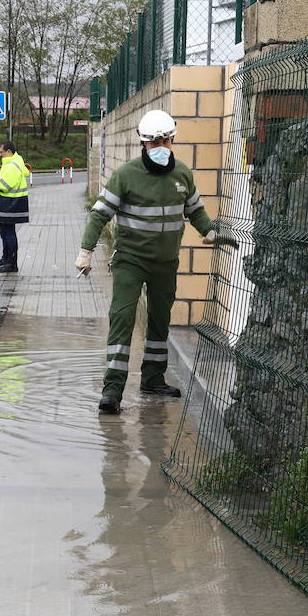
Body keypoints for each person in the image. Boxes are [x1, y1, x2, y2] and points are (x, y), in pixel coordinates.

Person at [76, 109, 216, 414]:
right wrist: (86, 251)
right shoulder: (126, 175)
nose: (161, 146)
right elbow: (100, 213)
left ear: (173, 139)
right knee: (123, 317)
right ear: (144, 144)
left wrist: (209, 231)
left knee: (159, 320)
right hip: (130, 260)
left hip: (165, 262)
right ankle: (112, 390)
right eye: (155, 142)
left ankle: (153, 379)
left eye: (166, 140)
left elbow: (195, 209)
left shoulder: (181, 174)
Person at [0, 141, 30, 273]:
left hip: (10, 204)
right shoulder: (13, 163)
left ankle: (10, 263)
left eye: (1, 152)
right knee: (5, 231)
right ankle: (6, 260)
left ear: (9, 151)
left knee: (8, 233)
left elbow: (3, 186)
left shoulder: (12, 165)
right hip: (12, 204)